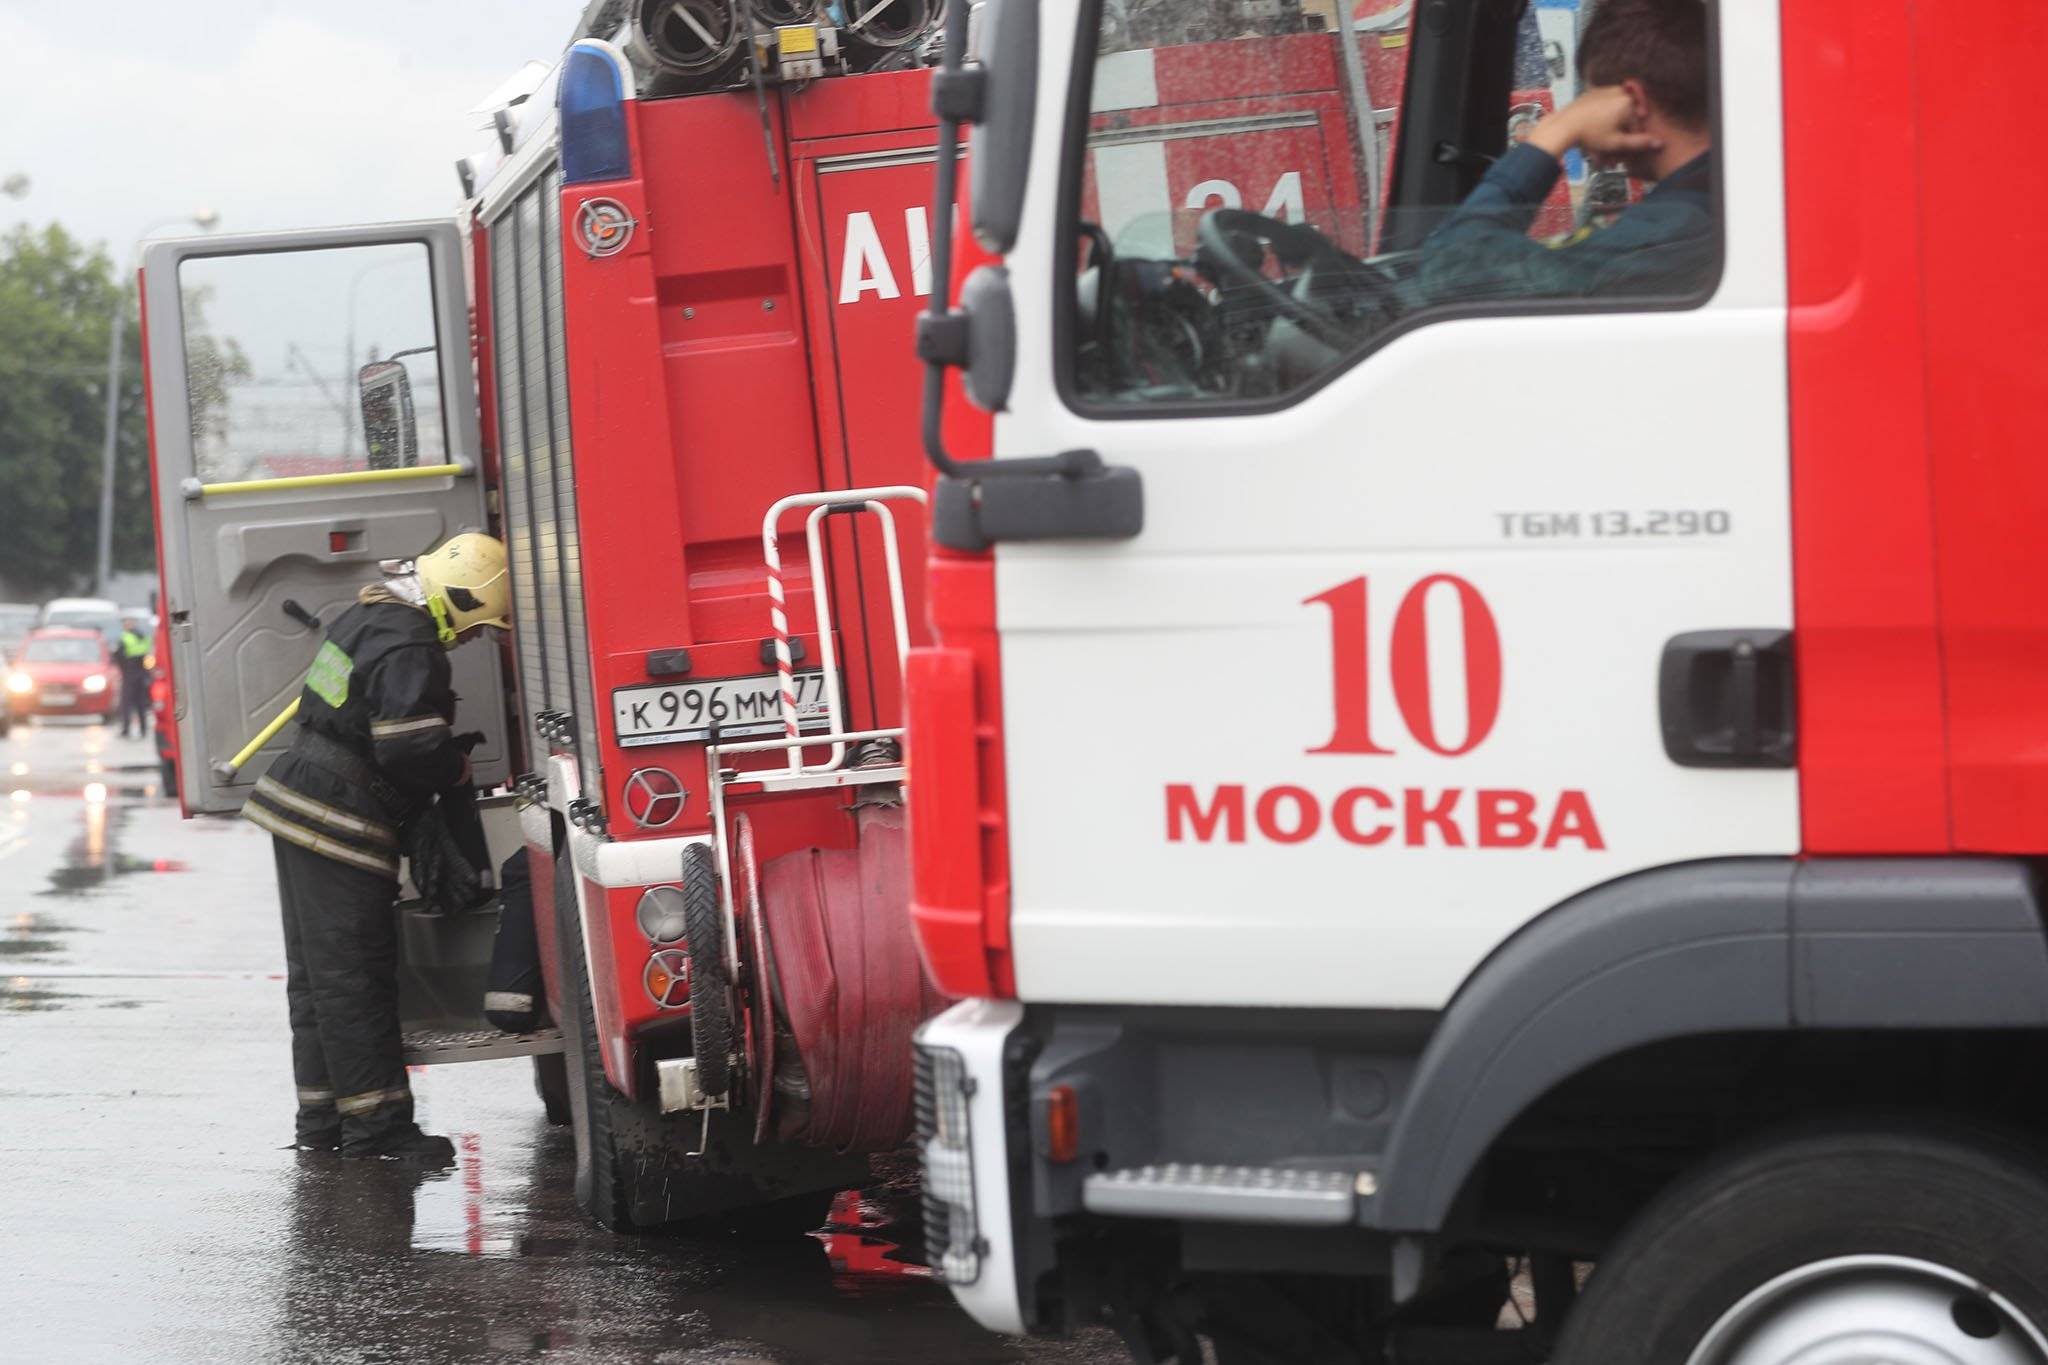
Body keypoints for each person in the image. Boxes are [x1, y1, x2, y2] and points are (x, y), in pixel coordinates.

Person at [243, 532, 511, 1166]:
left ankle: (324, 1118)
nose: (474, 639)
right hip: (339, 819)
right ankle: (378, 1131)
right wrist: (454, 770)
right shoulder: (411, 644)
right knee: (354, 979)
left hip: (302, 807)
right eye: (481, 626)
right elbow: (409, 744)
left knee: (319, 982)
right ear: (465, 598)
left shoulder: (371, 614)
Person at [1419, 0, 1714, 306]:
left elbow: (1450, 271)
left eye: (1590, 105)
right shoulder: (1717, 204)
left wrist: (1556, 130)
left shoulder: (1668, 233)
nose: (1590, 145)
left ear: (1634, 103)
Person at [116, 617, 151, 739]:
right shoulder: (143, 636)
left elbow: (118, 657)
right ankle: (143, 729)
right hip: (141, 673)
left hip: (129, 673)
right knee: (141, 703)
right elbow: (148, 656)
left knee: (127, 704)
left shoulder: (125, 637)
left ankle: (126, 729)